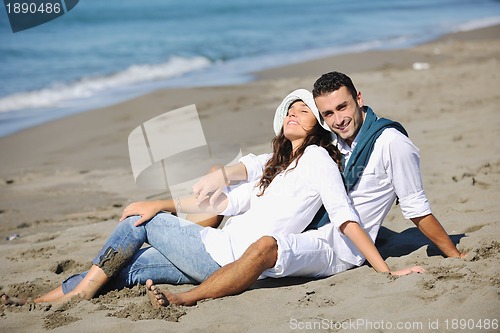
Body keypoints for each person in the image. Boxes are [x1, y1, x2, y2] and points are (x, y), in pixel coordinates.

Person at [1, 89, 420, 306]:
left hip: (222, 254)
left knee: (136, 223)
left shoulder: (317, 159)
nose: (292, 114)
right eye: (289, 110)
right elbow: (225, 202)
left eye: (303, 111)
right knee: (124, 268)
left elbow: (346, 218)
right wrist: (178, 200)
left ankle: (80, 295)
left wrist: (384, 271)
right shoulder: (275, 166)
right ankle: (42, 301)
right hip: (215, 254)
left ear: (315, 128)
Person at [148, 71, 462, 307]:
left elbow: (417, 210)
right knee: (226, 188)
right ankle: (142, 267)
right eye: (328, 114)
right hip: (314, 227)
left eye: (343, 107)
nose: (339, 119)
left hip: (339, 247)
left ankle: (188, 298)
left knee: (262, 246)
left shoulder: (391, 144)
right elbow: (271, 161)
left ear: (359, 98)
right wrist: (225, 173)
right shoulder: (337, 140)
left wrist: (455, 256)